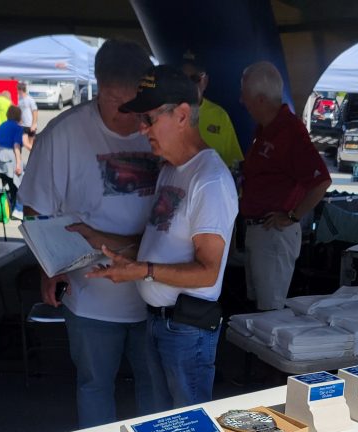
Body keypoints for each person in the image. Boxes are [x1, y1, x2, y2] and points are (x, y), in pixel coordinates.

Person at [70, 65, 238, 413]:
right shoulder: (172, 170)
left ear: (182, 115)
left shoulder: (209, 180)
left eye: (148, 119)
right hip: (160, 322)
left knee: (188, 428)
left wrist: (141, 271)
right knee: (160, 423)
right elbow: (157, 244)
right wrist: (95, 237)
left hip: (187, 329)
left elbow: (208, 272)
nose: (141, 129)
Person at [19, 39, 160, 429]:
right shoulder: (63, 134)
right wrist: (48, 269)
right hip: (91, 295)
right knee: (95, 385)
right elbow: (36, 210)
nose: (127, 114)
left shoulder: (158, 128)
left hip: (155, 291)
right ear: (98, 87)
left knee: (155, 387)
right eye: (115, 101)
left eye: (135, 104)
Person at [239, 61, 331, 310]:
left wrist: (292, 216)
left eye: (244, 95)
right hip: (259, 231)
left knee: (269, 313)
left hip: (273, 233)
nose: (241, 101)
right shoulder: (266, 129)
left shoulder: (289, 132)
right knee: (256, 310)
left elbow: (321, 181)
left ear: (260, 99)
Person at [180, 53, 243, 170]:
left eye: (194, 79)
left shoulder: (220, 116)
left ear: (205, 81)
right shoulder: (167, 113)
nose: (188, 85)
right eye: (183, 79)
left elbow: (234, 163)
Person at [0, 104, 31, 210]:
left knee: (10, 186)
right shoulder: (18, 128)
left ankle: (10, 206)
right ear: (19, 116)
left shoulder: (2, 125)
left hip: (1, 162)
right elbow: (16, 146)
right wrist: (18, 164)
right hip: (11, 160)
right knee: (18, 186)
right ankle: (18, 209)